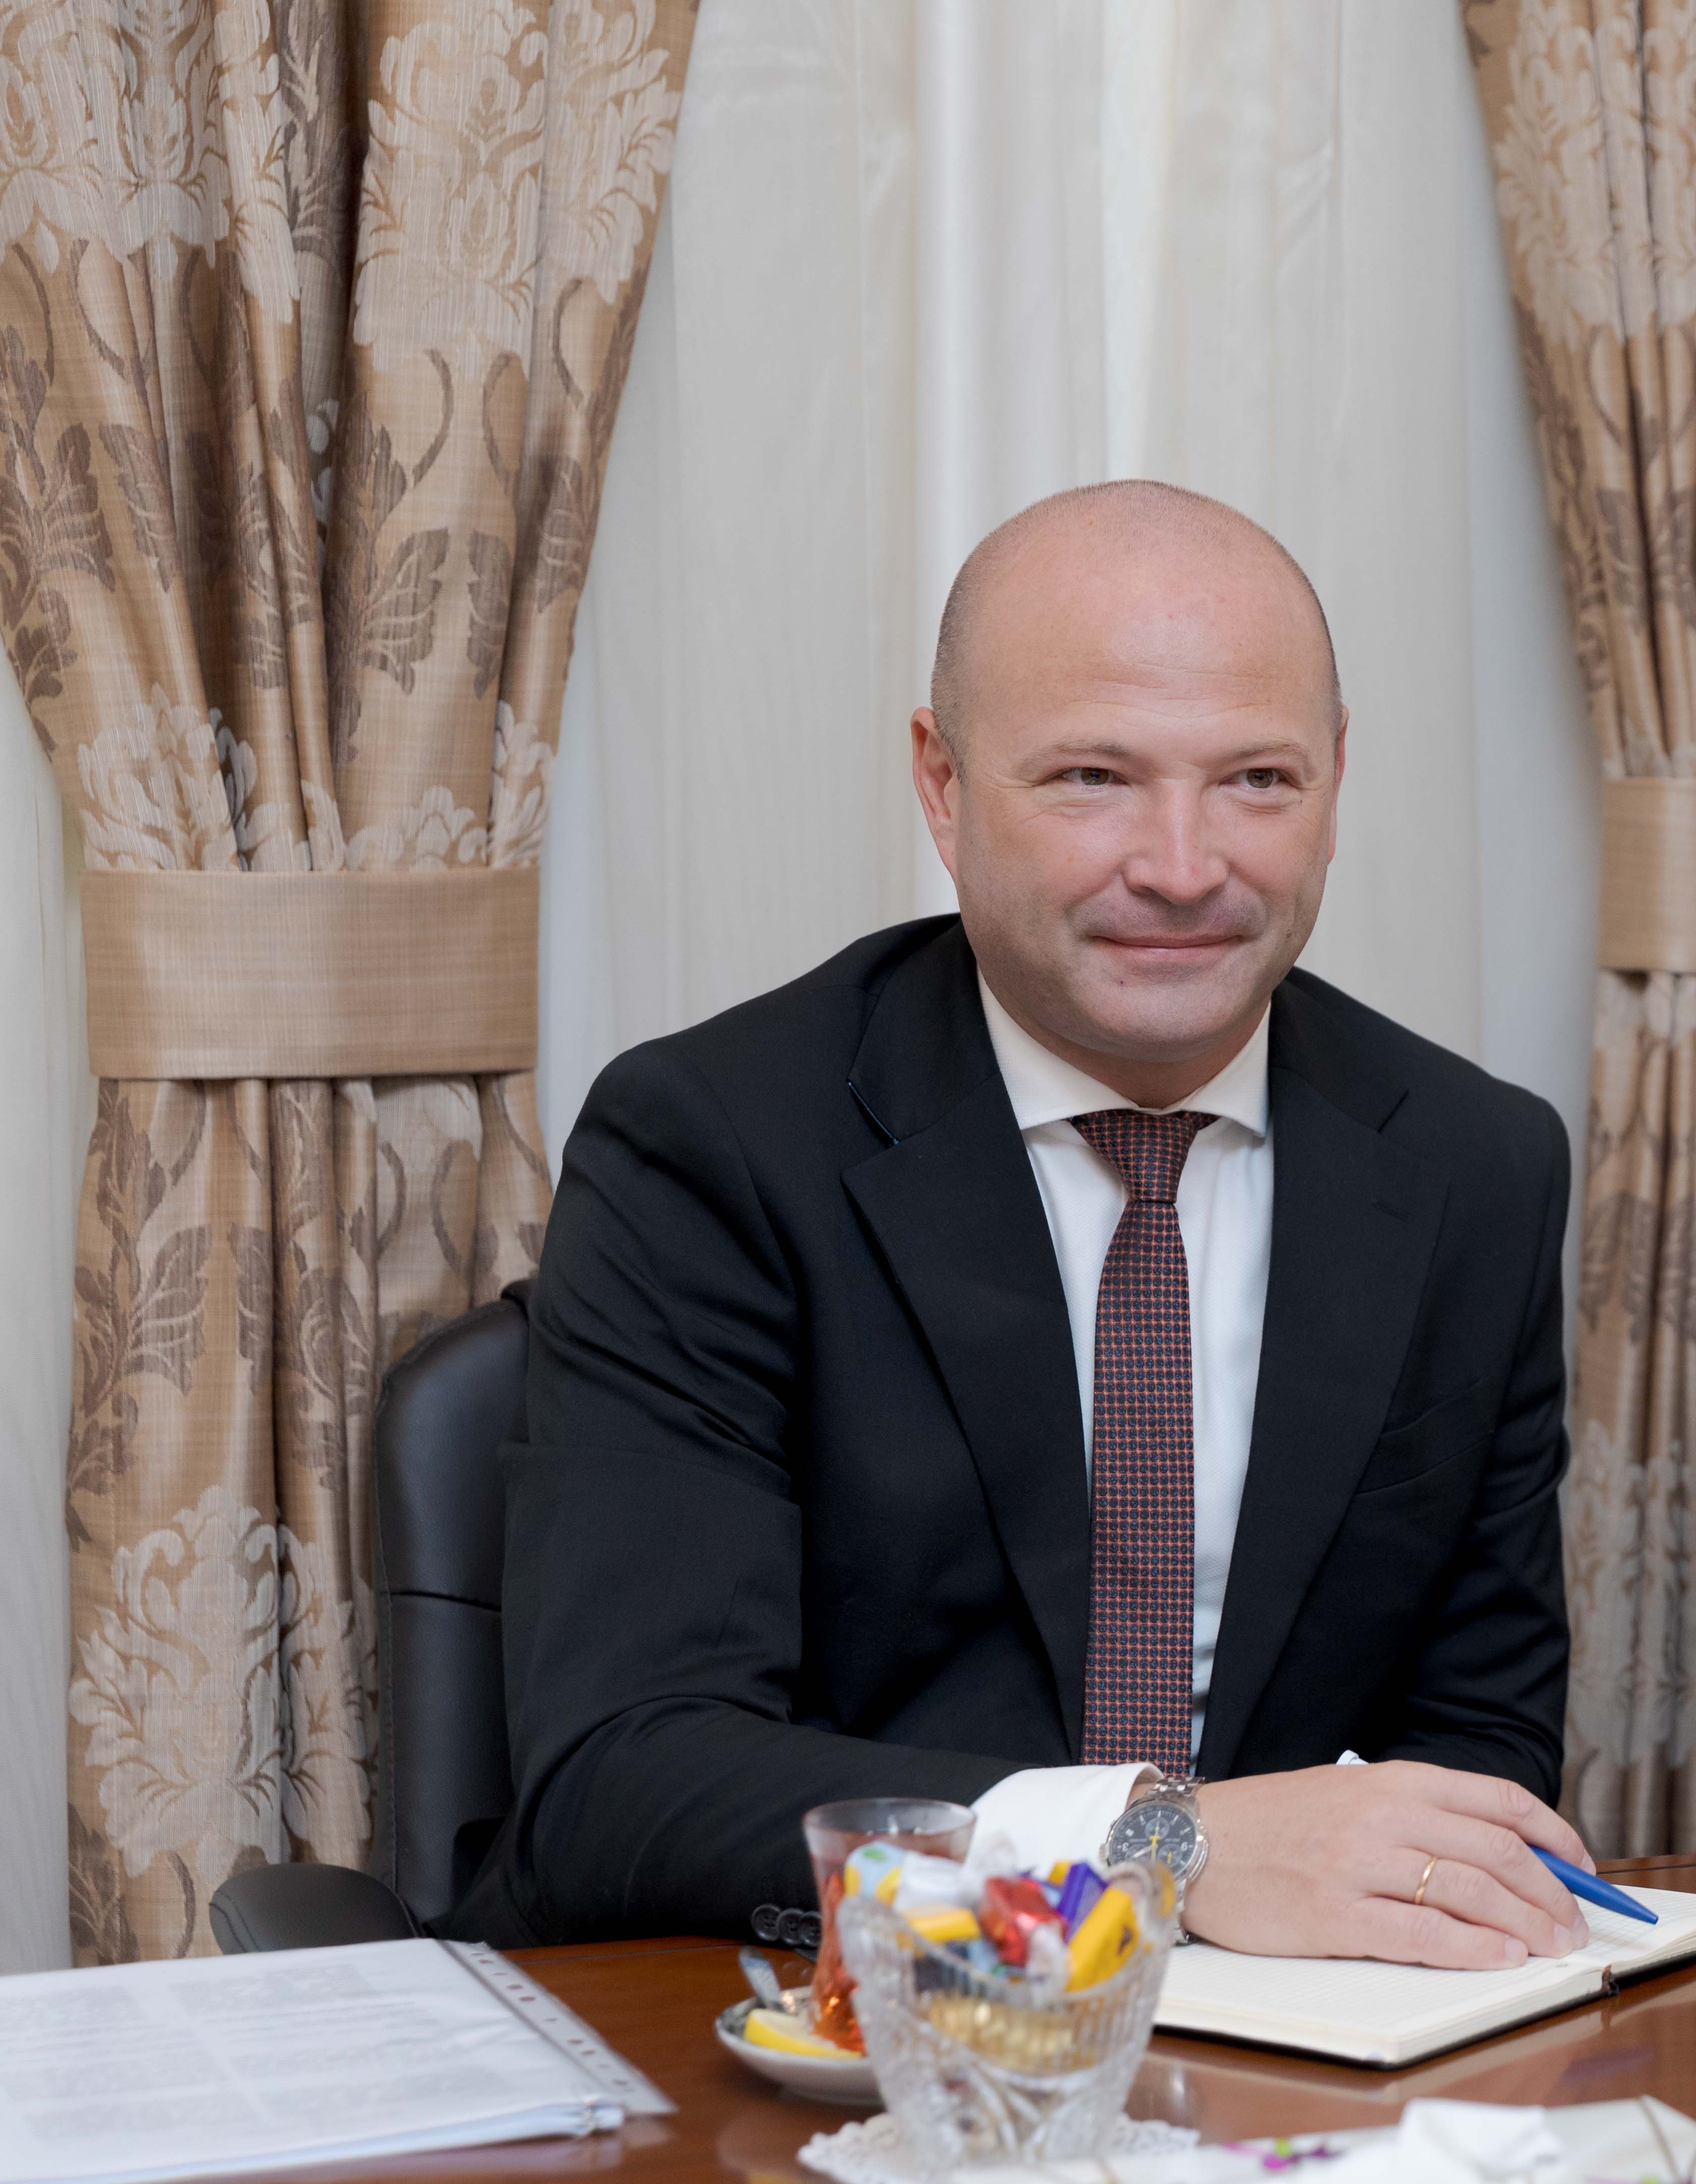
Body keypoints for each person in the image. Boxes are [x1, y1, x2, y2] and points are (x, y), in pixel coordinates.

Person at [455, 481, 1592, 1969]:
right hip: (827, 2017)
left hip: (1299, 2035)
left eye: (1258, 779)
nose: (1182, 866)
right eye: (1092, 779)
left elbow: (1475, 1747)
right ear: (942, 785)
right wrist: (1159, 1851)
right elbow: (623, 1779)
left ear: (1336, 782)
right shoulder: (715, 1146)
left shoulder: (1474, 1168)